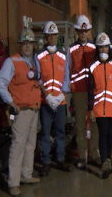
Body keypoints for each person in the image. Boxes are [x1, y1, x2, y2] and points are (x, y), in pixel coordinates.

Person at [0, 28, 41, 197]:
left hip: (33, 110)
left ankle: (26, 175)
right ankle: (13, 183)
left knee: (30, 144)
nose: (28, 46)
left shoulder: (32, 61)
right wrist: (10, 102)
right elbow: (0, 82)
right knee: (18, 145)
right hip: (19, 111)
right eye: (25, 43)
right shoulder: (12, 61)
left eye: (30, 43)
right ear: (20, 44)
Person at [88, 32, 112, 179]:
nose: (103, 50)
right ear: (97, 49)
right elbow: (90, 90)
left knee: (110, 135)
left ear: (109, 48)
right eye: (100, 47)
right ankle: (105, 162)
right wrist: (91, 109)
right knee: (102, 134)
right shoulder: (93, 67)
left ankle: (108, 159)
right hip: (99, 109)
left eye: (105, 47)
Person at [37, 21, 73, 176]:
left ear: (57, 37)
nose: (52, 38)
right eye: (49, 35)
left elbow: (67, 77)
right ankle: (45, 161)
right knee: (45, 132)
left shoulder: (63, 55)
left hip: (60, 101)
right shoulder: (38, 56)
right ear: (45, 37)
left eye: (54, 35)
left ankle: (60, 159)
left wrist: (61, 96)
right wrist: (47, 96)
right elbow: (38, 79)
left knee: (60, 131)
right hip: (45, 102)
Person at [68, 15, 101, 169]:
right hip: (79, 91)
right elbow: (68, 70)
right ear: (76, 31)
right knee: (80, 123)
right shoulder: (71, 49)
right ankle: (83, 156)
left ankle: (95, 154)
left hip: (93, 91)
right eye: (81, 31)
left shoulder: (95, 48)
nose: (83, 33)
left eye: (86, 31)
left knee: (94, 123)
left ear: (88, 30)